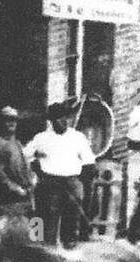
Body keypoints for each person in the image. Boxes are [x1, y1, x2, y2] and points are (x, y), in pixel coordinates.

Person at [23, 103, 95, 248]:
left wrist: (81, 182)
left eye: (65, 117)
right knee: (47, 217)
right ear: (52, 121)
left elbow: (89, 160)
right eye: (59, 118)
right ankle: (46, 250)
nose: (64, 121)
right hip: (50, 182)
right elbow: (25, 154)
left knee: (72, 217)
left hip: (71, 181)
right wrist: (35, 161)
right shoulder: (42, 138)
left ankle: (69, 246)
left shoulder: (77, 137)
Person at [0, 107, 34, 218]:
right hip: (11, 200)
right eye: (8, 120)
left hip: (25, 197)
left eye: (14, 120)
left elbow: (24, 167)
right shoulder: (0, 144)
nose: (11, 123)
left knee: (32, 231)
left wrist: (32, 178)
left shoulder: (17, 143)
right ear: (2, 122)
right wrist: (16, 188)